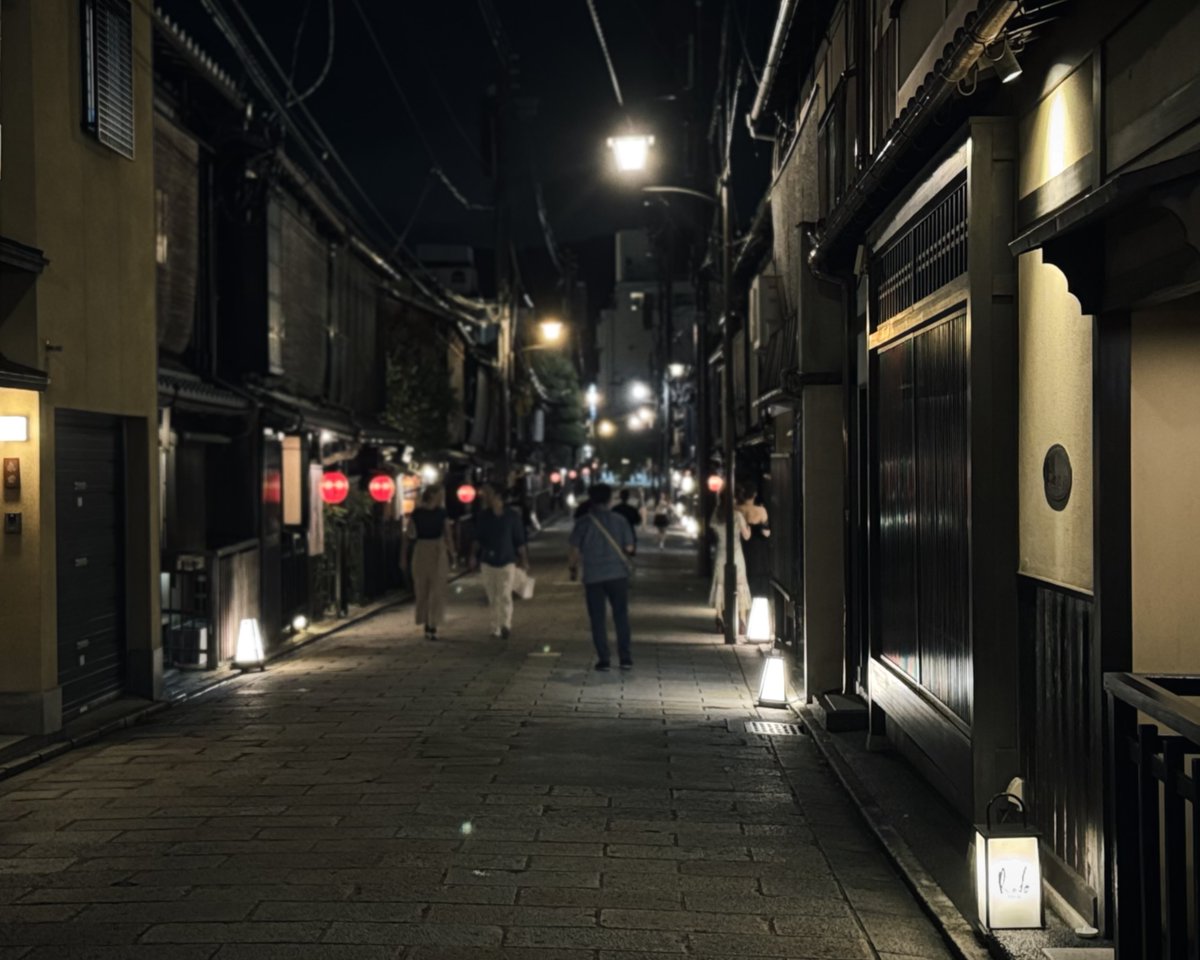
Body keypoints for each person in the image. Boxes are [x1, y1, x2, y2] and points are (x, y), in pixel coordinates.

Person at [568, 483, 635, 671]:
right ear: (609, 499)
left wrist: (572, 568)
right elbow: (629, 548)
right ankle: (625, 658)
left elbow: (574, 550)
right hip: (617, 575)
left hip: (593, 576)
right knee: (621, 616)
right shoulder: (620, 520)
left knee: (597, 619)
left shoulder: (583, 522)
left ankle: (604, 659)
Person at [469, 484, 528, 639]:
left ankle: (505, 624)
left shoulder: (512, 516)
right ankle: (495, 626)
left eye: (490, 495)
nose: (487, 498)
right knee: (492, 595)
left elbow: (519, 540)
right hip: (487, 560)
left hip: (507, 559)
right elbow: (477, 538)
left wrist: (524, 559)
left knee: (505, 593)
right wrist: (473, 556)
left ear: (499, 498)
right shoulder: (483, 516)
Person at [403, 484, 455, 640]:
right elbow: (408, 536)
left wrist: (452, 552)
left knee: (437, 589)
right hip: (422, 549)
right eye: (440, 495)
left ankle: (433, 623)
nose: (441, 498)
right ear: (432, 495)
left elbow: (448, 534)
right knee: (422, 588)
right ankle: (427, 622)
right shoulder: (417, 513)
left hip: (437, 549)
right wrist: (403, 557)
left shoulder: (442, 513)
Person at [709, 487, 752, 637]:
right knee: (740, 584)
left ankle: (720, 617)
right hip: (736, 553)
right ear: (732, 500)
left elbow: (712, 529)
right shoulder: (737, 515)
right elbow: (746, 536)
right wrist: (748, 528)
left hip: (721, 553)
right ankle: (741, 619)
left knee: (720, 584)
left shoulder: (716, 515)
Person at [738, 486, 771, 602]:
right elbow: (766, 533)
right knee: (757, 577)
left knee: (743, 575)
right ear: (754, 495)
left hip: (742, 546)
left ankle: (742, 603)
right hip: (758, 547)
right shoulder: (761, 511)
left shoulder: (737, 509)